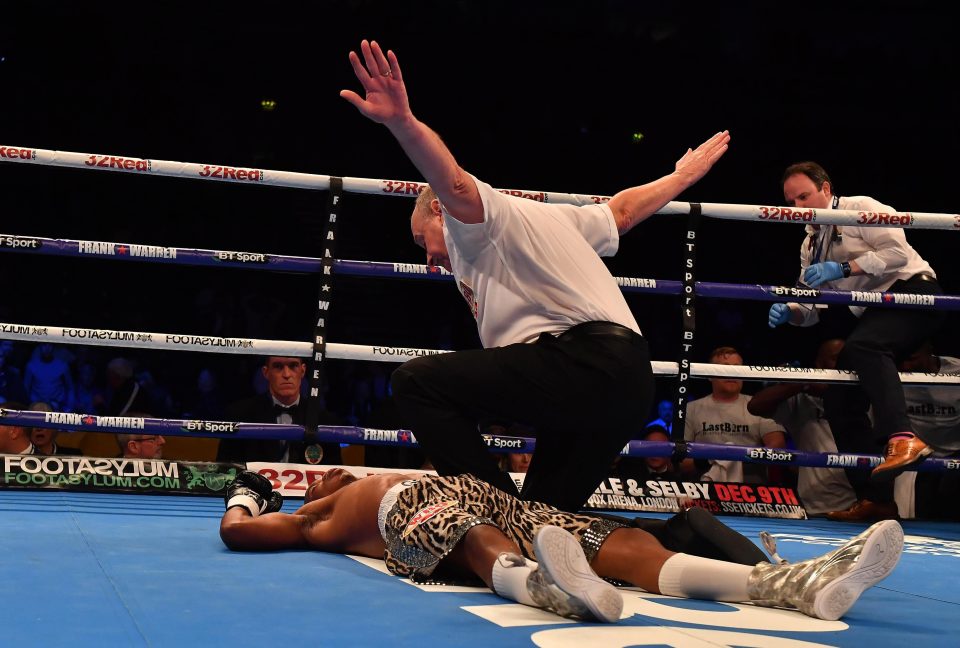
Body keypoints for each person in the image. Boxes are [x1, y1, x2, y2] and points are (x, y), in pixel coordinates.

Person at [341, 39, 730, 512]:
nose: (427, 260)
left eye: (423, 241)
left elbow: (455, 182)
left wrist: (403, 124)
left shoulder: (475, 224)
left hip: (580, 361)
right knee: (548, 521)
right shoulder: (553, 219)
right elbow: (622, 213)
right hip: (628, 380)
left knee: (415, 382)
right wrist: (681, 177)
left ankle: (493, 511)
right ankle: (731, 558)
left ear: (438, 213)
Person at [219, 468, 903, 623]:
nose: (328, 475)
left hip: (498, 499)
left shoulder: (345, 485)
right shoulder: (319, 515)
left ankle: (785, 586)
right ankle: (541, 588)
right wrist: (248, 491)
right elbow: (237, 532)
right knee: (450, 520)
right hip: (426, 510)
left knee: (614, 537)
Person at [768, 162, 944, 520]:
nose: (799, 205)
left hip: (913, 294)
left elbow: (896, 253)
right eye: (791, 200)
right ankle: (876, 500)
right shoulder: (810, 245)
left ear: (826, 190)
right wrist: (791, 310)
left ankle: (903, 438)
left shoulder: (859, 207)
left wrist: (846, 268)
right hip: (877, 314)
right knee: (840, 398)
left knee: (865, 346)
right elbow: (812, 306)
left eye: (805, 195)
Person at [747, 340, 859, 518]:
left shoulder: (866, 394)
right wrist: (800, 383)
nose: (844, 364)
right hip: (820, 505)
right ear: (819, 365)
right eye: (837, 359)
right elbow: (755, 406)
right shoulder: (803, 401)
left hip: (865, 502)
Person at [682, 347, 786, 484]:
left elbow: (778, 446)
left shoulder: (760, 405)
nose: (732, 374)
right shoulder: (692, 409)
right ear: (709, 374)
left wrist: (739, 458)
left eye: (737, 368)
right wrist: (714, 459)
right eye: (725, 368)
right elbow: (682, 462)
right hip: (706, 492)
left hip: (752, 493)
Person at [217, 356, 342, 466]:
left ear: (302, 371)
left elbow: (333, 475)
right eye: (278, 366)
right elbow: (225, 469)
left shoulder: (323, 418)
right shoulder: (240, 414)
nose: (286, 374)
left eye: (293, 366)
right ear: (266, 372)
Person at [894, 342, 960, 520]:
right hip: (916, 452)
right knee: (919, 517)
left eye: (913, 359)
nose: (907, 366)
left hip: (956, 451)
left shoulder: (957, 371)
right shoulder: (893, 373)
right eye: (903, 360)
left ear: (929, 351)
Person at [23, 343, 74, 412]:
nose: (47, 348)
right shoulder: (31, 365)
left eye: (50, 345)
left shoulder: (62, 365)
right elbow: (26, 388)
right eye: (44, 345)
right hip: (36, 406)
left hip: (57, 406)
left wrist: (69, 406)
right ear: (40, 347)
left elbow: (70, 387)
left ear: (53, 347)